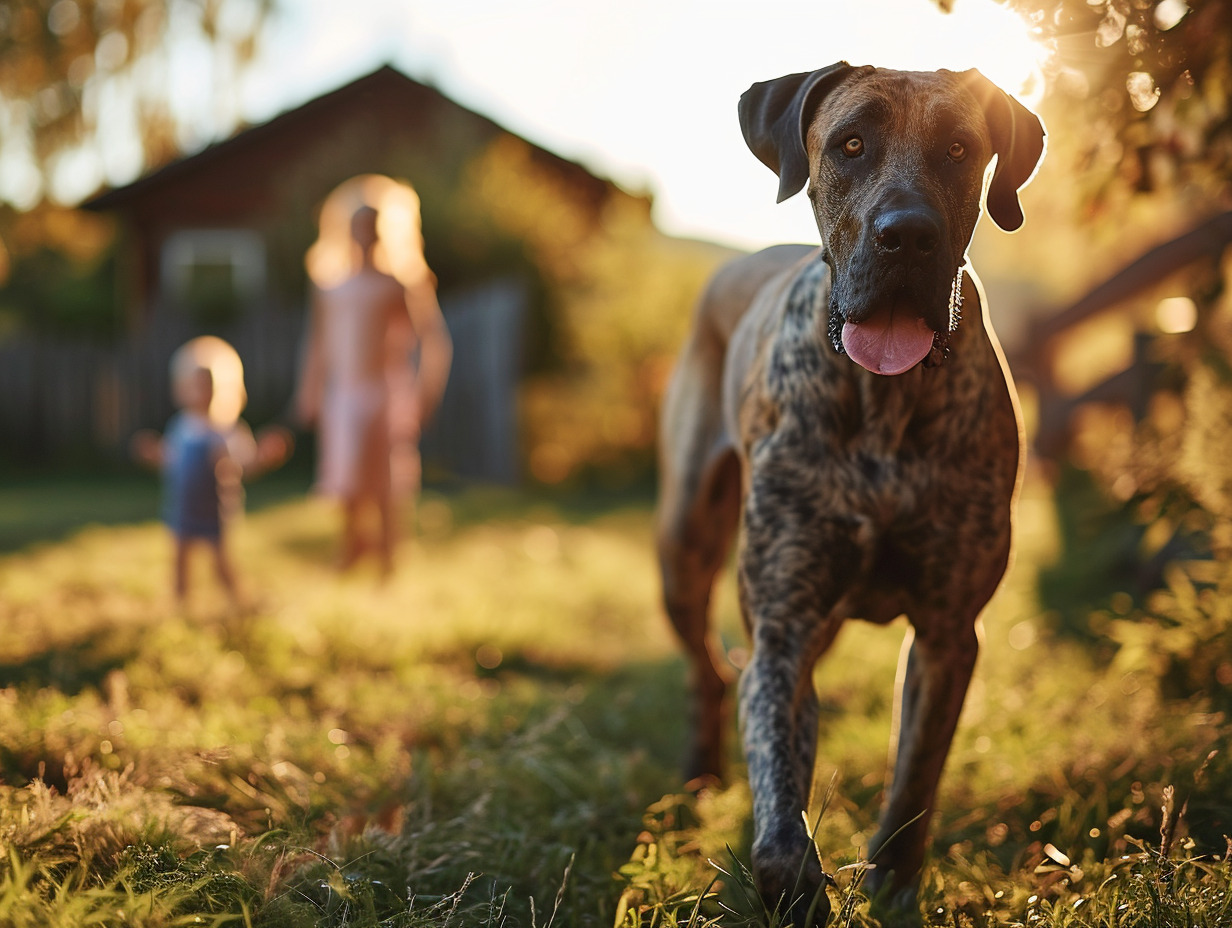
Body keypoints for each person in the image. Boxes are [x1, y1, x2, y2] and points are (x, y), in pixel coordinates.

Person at [296, 197, 451, 577]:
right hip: (343, 395)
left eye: (373, 226)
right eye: (358, 226)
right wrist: (308, 391)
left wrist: (425, 393)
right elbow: (317, 343)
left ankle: (388, 559)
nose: (365, 234)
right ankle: (351, 549)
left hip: (384, 393)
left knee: (385, 482)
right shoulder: (330, 287)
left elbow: (432, 340)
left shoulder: (398, 285)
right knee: (346, 478)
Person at [132, 336, 290, 610]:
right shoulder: (180, 427)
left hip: (214, 512)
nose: (203, 392)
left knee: (220, 561)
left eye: (210, 385)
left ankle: (238, 601)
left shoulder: (227, 431)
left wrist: (263, 458)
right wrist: (153, 454)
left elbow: (246, 465)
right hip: (183, 510)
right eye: (197, 385)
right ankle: (180, 605)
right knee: (180, 559)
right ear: (184, 388)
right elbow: (171, 461)